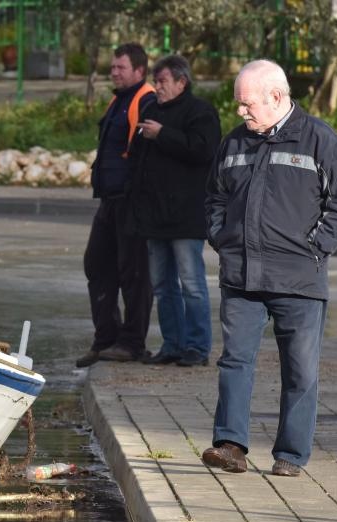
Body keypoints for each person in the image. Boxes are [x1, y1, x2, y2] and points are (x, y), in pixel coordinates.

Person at [202, 59, 337, 477]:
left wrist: (316, 248)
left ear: (276, 97)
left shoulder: (319, 140)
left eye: (246, 103)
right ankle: (230, 446)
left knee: (301, 370)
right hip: (241, 277)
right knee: (235, 362)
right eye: (238, 104)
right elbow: (214, 197)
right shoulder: (234, 143)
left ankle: (290, 455)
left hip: (299, 280)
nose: (240, 111)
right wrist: (222, 238)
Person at [127, 55, 221, 367]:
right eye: (157, 81)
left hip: (185, 216)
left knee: (191, 285)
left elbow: (204, 150)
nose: (158, 87)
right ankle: (172, 344)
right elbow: (140, 162)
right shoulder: (151, 109)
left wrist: (163, 134)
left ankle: (197, 347)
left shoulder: (201, 112)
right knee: (163, 286)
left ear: (182, 82)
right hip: (155, 217)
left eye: (164, 81)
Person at [75, 43, 156, 368]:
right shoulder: (118, 100)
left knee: (134, 273)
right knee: (96, 265)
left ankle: (132, 343)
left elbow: (144, 155)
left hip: (132, 203)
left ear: (139, 70)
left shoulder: (145, 100)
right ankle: (106, 338)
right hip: (110, 201)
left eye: (120, 68)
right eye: (113, 68)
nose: (114, 72)